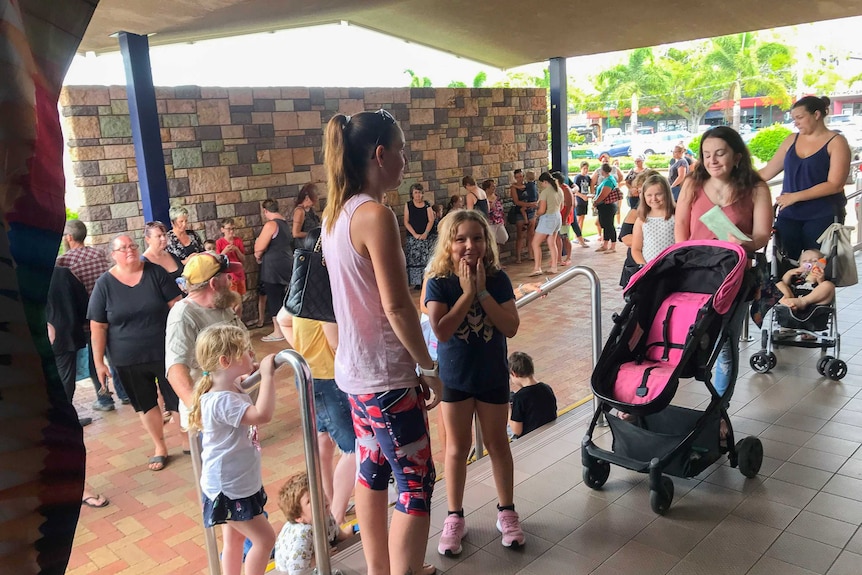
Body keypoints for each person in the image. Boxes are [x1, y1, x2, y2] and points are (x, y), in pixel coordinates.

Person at [321, 109, 442, 575]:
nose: (405, 160)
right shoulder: (375, 216)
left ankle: (380, 569)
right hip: (386, 377)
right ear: (379, 154)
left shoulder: (337, 214)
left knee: (372, 471)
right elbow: (397, 307)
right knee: (415, 481)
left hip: (356, 376)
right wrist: (428, 367)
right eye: (400, 150)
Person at [425, 210, 523, 555]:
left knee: (498, 443)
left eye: (477, 238)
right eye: (461, 239)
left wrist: (482, 292)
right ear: (448, 243)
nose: (470, 245)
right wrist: (467, 294)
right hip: (456, 378)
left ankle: (506, 511)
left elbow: (510, 326)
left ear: (487, 242)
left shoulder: (497, 279)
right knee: (456, 447)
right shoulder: (438, 280)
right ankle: (454, 516)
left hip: (492, 375)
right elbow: (441, 330)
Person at [675, 126, 772, 398]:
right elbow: (681, 227)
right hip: (694, 272)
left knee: (724, 344)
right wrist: (682, 261)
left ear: (737, 156)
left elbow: (763, 234)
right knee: (680, 333)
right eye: (707, 155)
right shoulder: (693, 184)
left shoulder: (756, 188)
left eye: (720, 154)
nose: (712, 161)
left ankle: (718, 411)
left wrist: (746, 243)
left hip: (734, 275)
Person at [88, 234, 183, 471]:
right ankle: (160, 447)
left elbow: (177, 306)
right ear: (113, 254)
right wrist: (99, 362)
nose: (129, 250)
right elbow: (98, 326)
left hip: (165, 351)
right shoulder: (104, 284)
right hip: (127, 358)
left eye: (132, 245)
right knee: (145, 403)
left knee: (177, 398)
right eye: (122, 248)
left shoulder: (155, 273)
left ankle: (187, 440)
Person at [188, 324, 277, 575]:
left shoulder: (225, 389)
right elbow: (262, 414)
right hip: (230, 489)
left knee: (234, 539)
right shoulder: (222, 400)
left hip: (232, 484)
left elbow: (238, 385)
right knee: (264, 540)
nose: (252, 354)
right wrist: (269, 377)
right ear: (226, 361)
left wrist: (248, 375)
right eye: (246, 352)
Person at [277, 308, 357, 525]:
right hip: (331, 377)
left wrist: (306, 351)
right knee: (355, 449)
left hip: (308, 375)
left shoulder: (302, 285)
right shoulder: (325, 291)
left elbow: (284, 319)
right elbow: (336, 341)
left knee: (324, 443)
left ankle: (328, 507)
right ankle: (336, 517)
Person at [166, 251, 246, 447]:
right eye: (227, 277)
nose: (231, 280)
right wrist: (201, 414)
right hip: (211, 422)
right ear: (213, 284)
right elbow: (175, 369)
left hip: (234, 407)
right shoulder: (183, 315)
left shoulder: (221, 305)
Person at [759, 95, 852, 262]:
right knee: (785, 263)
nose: (796, 122)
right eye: (794, 118)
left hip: (823, 213)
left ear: (816, 115)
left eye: (800, 117)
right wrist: (735, 177)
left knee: (818, 267)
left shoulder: (836, 142)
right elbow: (766, 172)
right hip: (789, 214)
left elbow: (835, 184)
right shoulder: (791, 140)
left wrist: (795, 196)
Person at [46, 265, 110, 507]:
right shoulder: (60, 273)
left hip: (57, 339)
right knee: (63, 388)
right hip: (66, 337)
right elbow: (84, 300)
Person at [56, 219, 128, 411]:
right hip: (108, 312)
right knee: (113, 356)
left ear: (69, 238)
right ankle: (125, 393)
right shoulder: (99, 254)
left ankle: (105, 399)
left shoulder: (64, 261)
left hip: (85, 318)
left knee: (94, 360)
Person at [274, 472, 353, 575]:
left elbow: (336, 532)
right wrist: (318, 559)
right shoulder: (303, 534)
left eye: (321, 492)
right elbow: (295, 570)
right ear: (299, 517)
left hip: (307, 552)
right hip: (292, 566)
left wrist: (346, 535)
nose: (321, 498)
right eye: (310, 500)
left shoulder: (325, 513)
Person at [254, 198, 293, 342]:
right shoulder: (284, 223)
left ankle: (278, 331)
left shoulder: (271, 224)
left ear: (265, 211)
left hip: (273, 267)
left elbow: (259, 248)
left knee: (274, 297)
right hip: (286, 263)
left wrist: (257, 255)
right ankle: (287, 327)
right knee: (284, 297)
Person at [619, 170, 658, 287]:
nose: (641, 195)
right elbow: (625, 237)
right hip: (638, 264)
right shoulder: (636, 211)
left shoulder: (672, 210)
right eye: (640, 191)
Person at [507, 351, 557, 439]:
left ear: (514, 374)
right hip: (549, 432)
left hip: (530, 437)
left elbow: (517, 431)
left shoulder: (519, 398)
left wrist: (508, 409)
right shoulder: (546, 388)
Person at [631, 172, 676, 265]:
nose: (654, 198)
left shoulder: (676, 217)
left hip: (672, 268)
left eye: (658, 194)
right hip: (649, 269)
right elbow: (636, 249)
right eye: (649, 195)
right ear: (643, 196)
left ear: (667, 194)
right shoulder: (641, 220)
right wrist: (644, 266)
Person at [528, 172, 563, 276]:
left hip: (548, 219)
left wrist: (536, 214)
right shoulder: (559, 189)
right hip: (557, 217)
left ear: (545, 182)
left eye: (541, 183)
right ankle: (554, 267)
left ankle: (537, 268)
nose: (541, 185)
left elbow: (542, 210)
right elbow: (561, 206)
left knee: (535, 243)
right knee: (551, 242)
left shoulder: (545, 192)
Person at [403, 182, 435, 289]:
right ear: (412, 194)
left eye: (420, 193)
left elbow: (431, 220)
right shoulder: (408, 205)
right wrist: (415, 234)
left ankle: (428, 279)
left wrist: (425, 233)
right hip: (413, 237)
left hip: (426, 236)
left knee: (427, 258)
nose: (418, 195)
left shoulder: (427, 204)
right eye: (416, 193)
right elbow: (406, 221)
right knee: (415, 259)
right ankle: (417, 282)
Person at [215, 217, 248, 296]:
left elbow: (243, 259)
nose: (231, 231)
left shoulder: (238, 240)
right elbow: (217, 260)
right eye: (228, 229)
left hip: (239, 274)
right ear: (222, 229)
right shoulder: (219, 242)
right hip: (228, 275)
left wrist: (237, 250)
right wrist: (225, 251)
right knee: (231, 298)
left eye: (233, 228)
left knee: (240, 297)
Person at [593, 164, 620, 254]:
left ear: (602, 171)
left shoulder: (609, 180)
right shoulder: (608, 179)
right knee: (605, 225)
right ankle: (605, 244)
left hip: (607, 206)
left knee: (609, 226)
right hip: (603, 206)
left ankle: (612, 246)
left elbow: (604, 194)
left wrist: (596, 201)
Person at [482, 179, 509, 261]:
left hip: (499, 221)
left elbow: (501, 209)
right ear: (487, 188)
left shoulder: (497, 197)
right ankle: (493, 262)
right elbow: (485, 211)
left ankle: (498, 261)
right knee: (491, 243)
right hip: (490, 222)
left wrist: (503, 219)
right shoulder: (484, 198)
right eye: (492, 186)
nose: (494, 187)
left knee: (503, 238)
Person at [291, 183, 322, 250]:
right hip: (304, 246)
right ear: (307, 198)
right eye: (315, 197)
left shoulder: (310, 210)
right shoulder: (300, 211)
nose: (316, 200)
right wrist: (312, 234)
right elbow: (295, 233)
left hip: (313, 245)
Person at [572, 161, 592, 237]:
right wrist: (582, 196)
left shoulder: (587, 178)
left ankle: (580, 235)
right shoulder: (578, 178)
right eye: (584, 168)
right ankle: (576, 236)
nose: (586, 170)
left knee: (583, 217)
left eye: (587, 168)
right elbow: (575, 190)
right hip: (579, 200)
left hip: (585, 201)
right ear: (581, 168)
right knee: (578, 218)